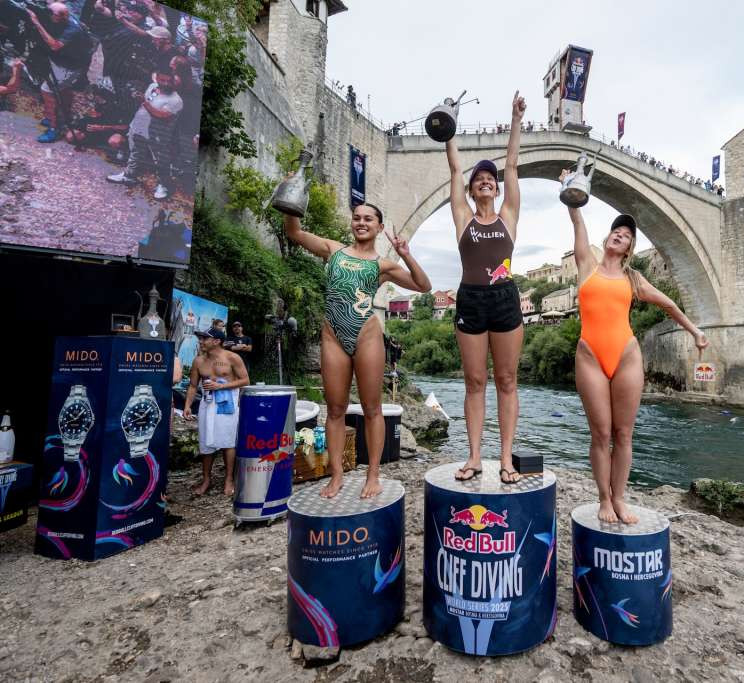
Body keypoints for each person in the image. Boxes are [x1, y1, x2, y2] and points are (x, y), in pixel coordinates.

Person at [562, 198, 708, 523]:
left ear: (629, 248)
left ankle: (619, 499)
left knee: (624, 433)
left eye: (626, 235)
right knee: (601, 434)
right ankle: (603, 499)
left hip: (626, 356)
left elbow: (668, 305)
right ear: (608, 238)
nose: (620, 235)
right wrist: (571, 194)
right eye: (616, 231)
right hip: (590, 356)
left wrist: (695, 331)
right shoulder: (587, 264)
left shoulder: (633, 279)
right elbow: (577, 222)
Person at [282, 203, 430, 498]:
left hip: (366, 335)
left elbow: (423, 285)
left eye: (368, 219)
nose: (361, 222)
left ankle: (373, 474)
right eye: (357, 218)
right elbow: (293, 231)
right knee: (335, 408)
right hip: (333, 335)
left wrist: (405, 254)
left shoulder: (382, 265)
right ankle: (337, 474)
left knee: (372, 408)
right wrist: (292, 195)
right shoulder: (333, 250)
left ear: (379, 227)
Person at [445, 91, 526, 484]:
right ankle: (475, 456)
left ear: (497, 188)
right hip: (471, 300)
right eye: (479, 180)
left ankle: (506, 458)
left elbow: (511, 165)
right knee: (475, 382)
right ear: (472, 190)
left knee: (506, 381)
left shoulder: (508, 215)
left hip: (505, 298)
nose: (485, 182)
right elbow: (454, 169)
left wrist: (516, 120)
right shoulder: (464, 218)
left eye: (490, 180)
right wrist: (448, 126)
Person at [183, 327, 249, 496]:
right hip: (207, 404)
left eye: (205, 338)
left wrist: (221, 386)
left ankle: (229, 479)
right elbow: (193, 386)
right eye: (200, 338)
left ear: (217, 341)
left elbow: (245, 380)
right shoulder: (198, 361)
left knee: (228, 441)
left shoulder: (232, 358)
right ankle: (206, 479)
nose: (201, 341)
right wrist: (187, 405)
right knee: (206, 442)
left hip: (227, 403)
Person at [106, 65, 183, 200]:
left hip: (158, 135)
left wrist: (144, 102)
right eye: (163, 80)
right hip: (139, 128)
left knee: (160, 160)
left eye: (169, 81)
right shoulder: (152, 87)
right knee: (135, 152)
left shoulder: (176, 100)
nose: (166, 84)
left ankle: (164, 185)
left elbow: (162, 115)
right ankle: (129, 175)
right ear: (157, 78)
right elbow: (147, 102)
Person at [25, 2, 93, 143]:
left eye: (51, 14)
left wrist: (37, 23)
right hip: (64, 61)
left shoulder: (72, 29)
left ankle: (54, 128)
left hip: (69, 67)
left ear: (59, 16)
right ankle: (62, 117)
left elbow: (54, 45)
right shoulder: (67, 17)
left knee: (48, 91)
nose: (49, 16)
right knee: (63, 90)